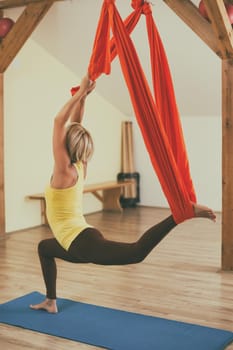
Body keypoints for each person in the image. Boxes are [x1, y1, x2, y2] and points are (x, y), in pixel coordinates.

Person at [30, 74, 216, 314]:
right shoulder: (79, 166)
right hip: (77, 240)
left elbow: (59, 121)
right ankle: (50, 301)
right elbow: (75, 125)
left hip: (80, 243)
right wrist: (84, 97)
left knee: (136, 252)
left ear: (64, 146)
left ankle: (181, 214)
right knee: (44, 248)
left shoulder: (63, 171)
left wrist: (78, 94)